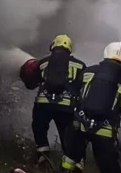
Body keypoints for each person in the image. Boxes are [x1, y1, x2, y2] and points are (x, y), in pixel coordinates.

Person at [65, 41, 121, 173]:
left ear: (105, 54)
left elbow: (74, 92)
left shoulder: (87, 72)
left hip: (81, 126)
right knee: (110, 171)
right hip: (105, 133)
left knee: (70, 157)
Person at [19, 35, 86, 163]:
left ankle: (42, 154)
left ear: (53, 45)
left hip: (43, 105)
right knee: (67, 133)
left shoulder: (42, 63)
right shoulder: (79, 65)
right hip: (66, 106)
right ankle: (69, 161)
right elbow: (82, 87)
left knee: (39, 127)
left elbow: (31, 84)